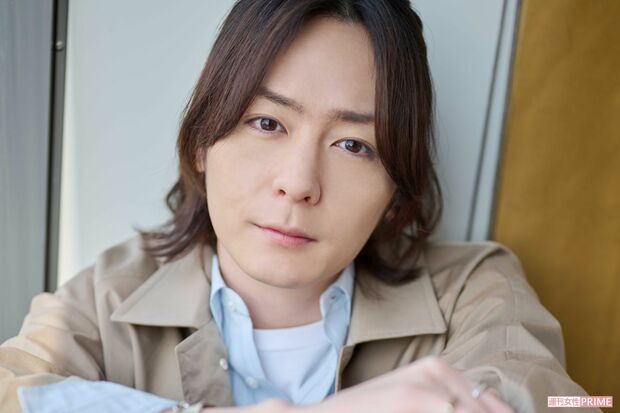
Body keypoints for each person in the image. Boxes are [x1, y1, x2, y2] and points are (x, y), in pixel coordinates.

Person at [0, 1, 597, 412]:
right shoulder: (109, 295)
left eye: (353, 145)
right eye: (267, 123)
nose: (298, 183)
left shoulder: (472, 286)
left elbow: (574, 402)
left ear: (396, 187)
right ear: (203, 141)